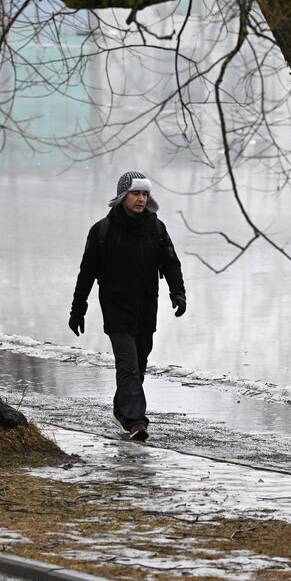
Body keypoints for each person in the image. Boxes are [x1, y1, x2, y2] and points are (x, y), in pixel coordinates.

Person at [69, 171, 186, 442]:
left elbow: (171, 263)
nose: (141, 199)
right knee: (128, 365)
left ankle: (121, 410)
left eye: (145, 194)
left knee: (139, 363)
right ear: (122, 196)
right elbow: (86, 273)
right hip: (116, 308)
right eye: (135, 193)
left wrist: (178, 293)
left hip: (146, 308)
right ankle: (135, 421)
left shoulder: (157, 229)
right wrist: (78, 309)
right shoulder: (102, 231)